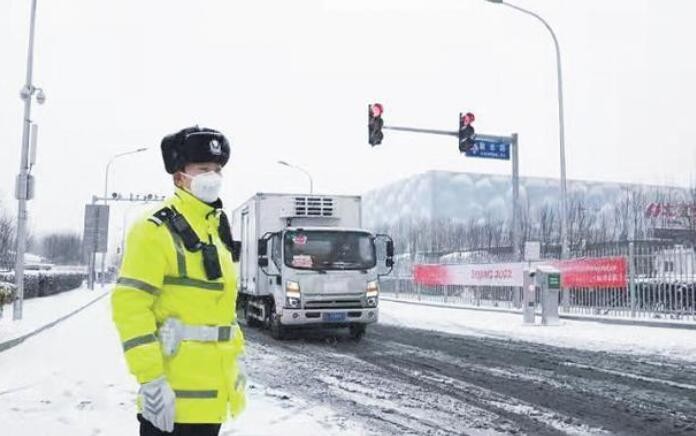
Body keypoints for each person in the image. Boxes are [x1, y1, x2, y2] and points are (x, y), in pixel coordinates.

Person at [111, 126, 246, 436]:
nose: (212, 176)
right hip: (170, 402)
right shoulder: (153, 229)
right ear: (179, 176)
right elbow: (130, 308)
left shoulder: (217, 230)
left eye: (217, 169)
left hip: (211, 401)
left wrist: (237, 364)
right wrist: (150, 380)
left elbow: (223, 312)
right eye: (203, 169)